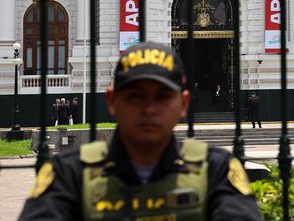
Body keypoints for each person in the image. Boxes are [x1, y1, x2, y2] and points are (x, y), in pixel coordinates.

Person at [20, 41, 262, 220]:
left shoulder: (215, 171)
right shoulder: (69, 174)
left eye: (163, 96)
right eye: (135, 96)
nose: (149, 108)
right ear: (112, 101)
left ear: (183, 104)